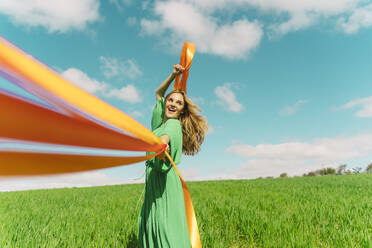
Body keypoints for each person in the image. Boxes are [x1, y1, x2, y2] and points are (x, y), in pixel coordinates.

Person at [138, 64, 208, 247]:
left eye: (178, 103)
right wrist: (173, 75)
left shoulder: (173, 126)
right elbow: (158, 94)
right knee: (152, 226)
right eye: (171, 100)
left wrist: (162, 145)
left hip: (165, 182)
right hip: (154, 180)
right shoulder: (158, 122)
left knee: (165, 228)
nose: (173, 104)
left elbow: (165, 137)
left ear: (182, 111)